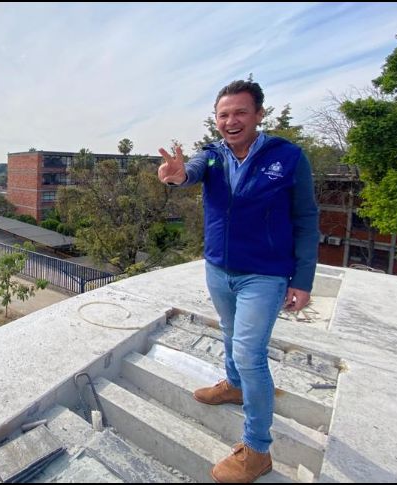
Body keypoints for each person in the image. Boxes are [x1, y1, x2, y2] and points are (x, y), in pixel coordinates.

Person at [158, 79, 319, 483]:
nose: (231, 121)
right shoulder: (211, 156)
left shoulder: (288, 156)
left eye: (240, 113)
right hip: (218, 269)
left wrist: (302, 278)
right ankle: (232, 385)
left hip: (264, 274)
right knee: (230, 333)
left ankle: (258, 448)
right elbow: (190, 173)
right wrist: (176, 176)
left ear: (258, 115)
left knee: (250, 353)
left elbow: (305, 218)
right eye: (223, 114)